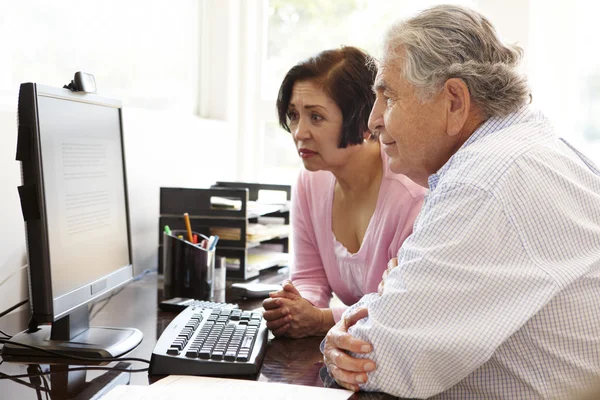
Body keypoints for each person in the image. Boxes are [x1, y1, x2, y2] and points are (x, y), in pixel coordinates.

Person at [322, 5, 600, 399]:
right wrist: (387, 301)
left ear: (454, 101)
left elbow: (377, 356)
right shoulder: (520, 148)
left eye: (389, 97)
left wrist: (343, 329)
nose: (373, 120)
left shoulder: (485, 180)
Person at [262, 46, 425, 339]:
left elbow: (402, 307)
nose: (299, 132)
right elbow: (309, 278)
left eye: (316, 117)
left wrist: (321, 319)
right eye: (294, 115)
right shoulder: (309, 182)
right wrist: (293, 308)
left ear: (363, 119)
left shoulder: (411, 195)